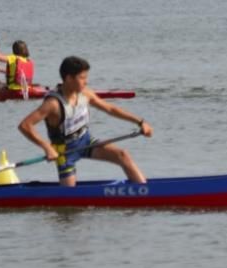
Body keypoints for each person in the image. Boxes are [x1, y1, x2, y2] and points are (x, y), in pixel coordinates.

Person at [17, 56, 152, 186]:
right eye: (82, 78)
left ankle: (145, 190)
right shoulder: (53, 104)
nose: (86, 81)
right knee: (69, 197)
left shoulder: (85, 93)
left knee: (122, 155)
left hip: (85, 141)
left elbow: (110, 109)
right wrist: (46, 147)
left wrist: (140, 122)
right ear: (69, 78)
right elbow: (25, 125)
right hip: (64, 151)